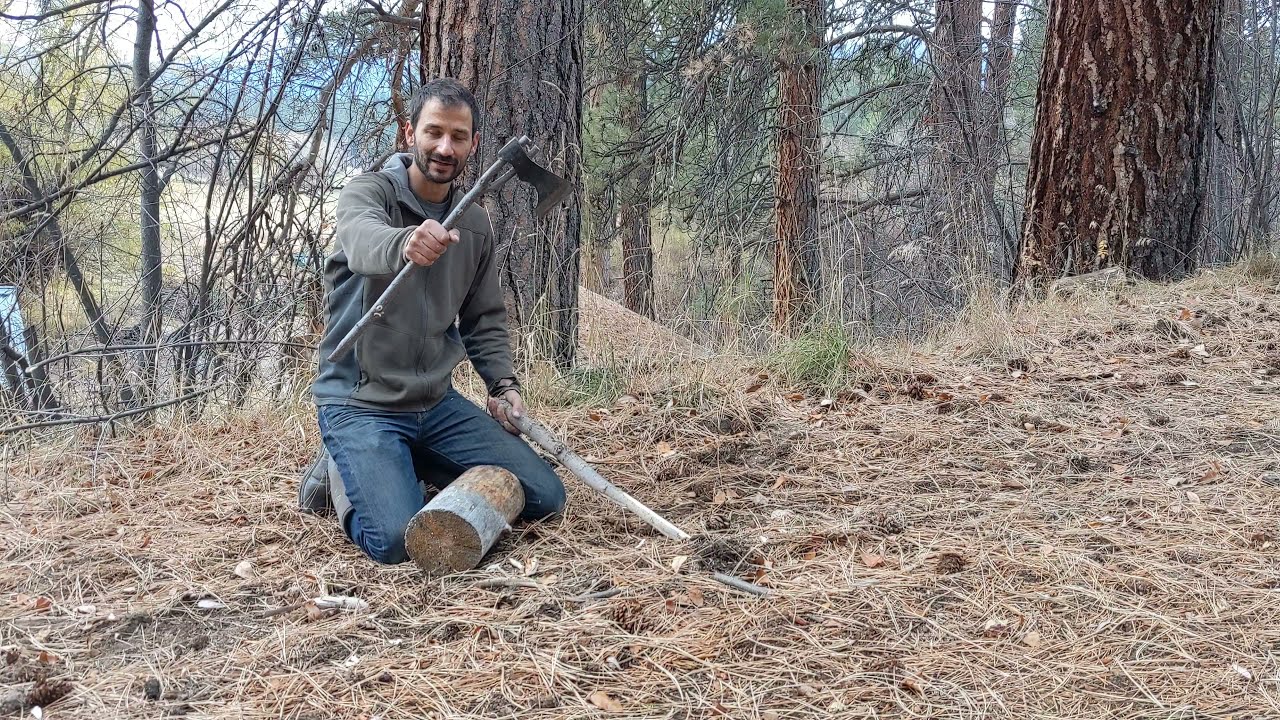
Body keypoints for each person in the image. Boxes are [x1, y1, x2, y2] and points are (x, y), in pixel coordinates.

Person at [297, 78, 566, 566]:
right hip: (362, 403)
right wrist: (404, 244)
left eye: (458, 136)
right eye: (434, 132)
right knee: (399, 542)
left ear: (474, 144)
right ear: (409, 133)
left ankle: (400, 461)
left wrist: (503, 384)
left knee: (545, 497)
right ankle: (344, 465)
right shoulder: (368, 193)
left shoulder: (475, 224)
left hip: (435, 404)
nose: (445, 147)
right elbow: (361, 240)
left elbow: (483, 318)